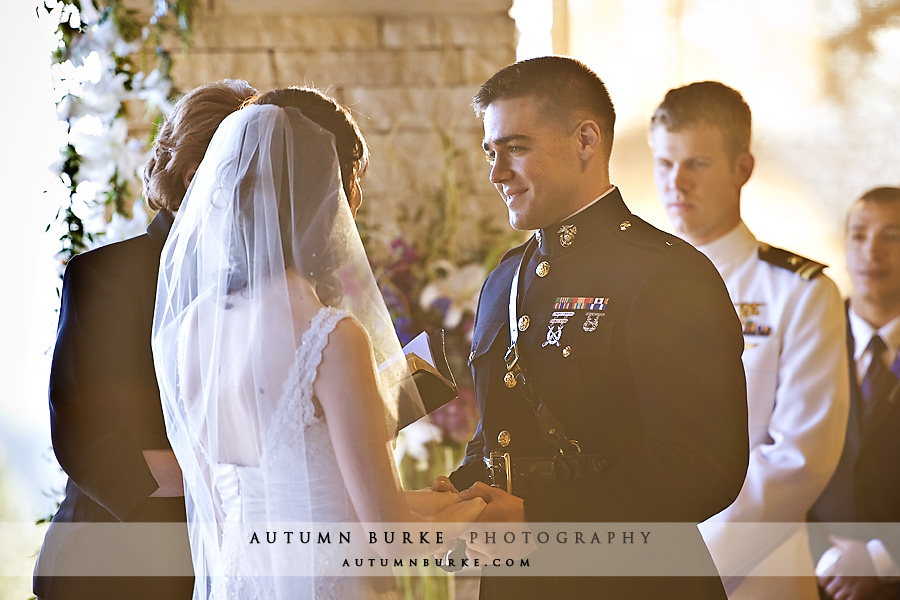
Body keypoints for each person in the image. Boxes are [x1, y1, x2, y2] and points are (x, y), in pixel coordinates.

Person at [151, 87, 485, 600]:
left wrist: (439, 504)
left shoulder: (195, 328)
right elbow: (389, 538)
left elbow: (269, 502)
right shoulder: (330, 337)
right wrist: (477, 513)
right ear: (327, 198)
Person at [439, 55, 749, 599]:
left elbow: (703, 467)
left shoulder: (664, 272)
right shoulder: (505, 280)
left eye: (516, 148)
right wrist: (458, 494)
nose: (496, 173)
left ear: (586, 140)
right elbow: (499, 434)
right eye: (491, 152)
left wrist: (542, 520)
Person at [33, 79, 258, 600]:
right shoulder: (104, 276)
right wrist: (240, 477)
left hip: (220, 562)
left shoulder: (259, 287)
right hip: (111, 565)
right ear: (193, 173)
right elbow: (92, 441)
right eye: (247, 175)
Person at [649, 80, 850, 599]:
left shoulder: (800, 293)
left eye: (698, 164)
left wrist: (688, 564)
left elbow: (798, 458)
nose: (677, 183)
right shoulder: (629, 288)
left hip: (752, 575)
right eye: (666, 164)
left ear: (743, 169)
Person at [808, 186, 900, 600]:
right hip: (810, 576)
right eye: (859, 235)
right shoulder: (807, 339)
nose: (872, 252)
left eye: (892, 236)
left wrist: (882, 559)